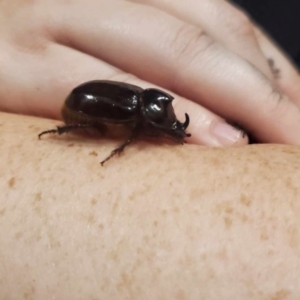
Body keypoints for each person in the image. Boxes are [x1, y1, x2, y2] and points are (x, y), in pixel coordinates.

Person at [1, 0, 300, 299]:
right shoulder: (133, 110)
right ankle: (59, 132)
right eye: (168, 126)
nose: (172, 129)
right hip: (79, 104)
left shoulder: (143, 105)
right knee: (91, 128)